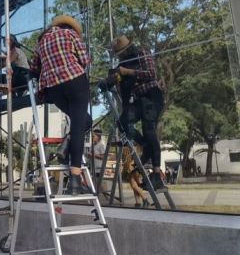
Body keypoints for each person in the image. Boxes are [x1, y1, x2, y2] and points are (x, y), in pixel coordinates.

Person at [30, 15, 91, 195]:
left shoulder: (41, 41)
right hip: (76, 82)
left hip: (53, 89)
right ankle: (75, 179)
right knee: (79, 126)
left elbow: (34, 68)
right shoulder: (71, 34)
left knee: (83, 121)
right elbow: (85, 60)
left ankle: (66, 144)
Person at [106, 35, 166, 190]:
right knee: (123, 122)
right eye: (120, 53)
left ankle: (157, 174)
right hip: (139, 100)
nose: (122, 55)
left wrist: (128, 72)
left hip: (152, 95)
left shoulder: (141, 53)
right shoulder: (123, 63)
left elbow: (151, 74)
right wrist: (115, 80)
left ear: (130, 48)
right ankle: (145, 144)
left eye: (124, 52)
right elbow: (124, 88)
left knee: (149, 130)